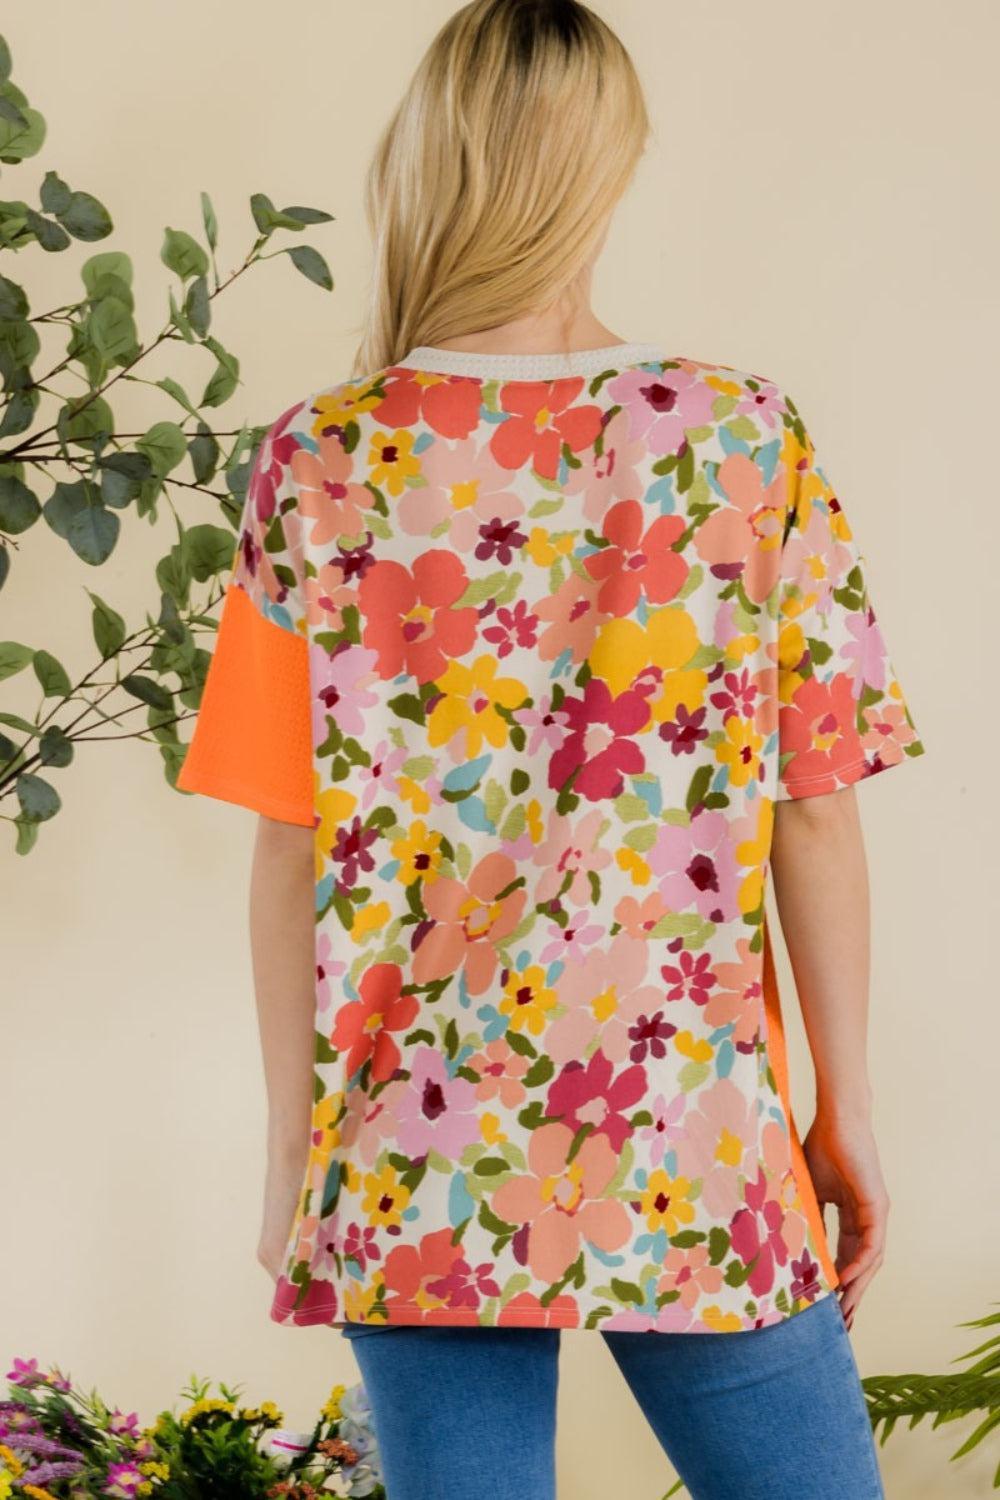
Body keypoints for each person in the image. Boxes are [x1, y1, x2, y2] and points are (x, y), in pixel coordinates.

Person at [175, 2, 926, 1495]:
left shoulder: (322, 457)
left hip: (411, 1139)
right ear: (608, 166)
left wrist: (293, 1153)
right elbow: (816, 818)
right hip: (693, 1132)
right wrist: (842, 1120)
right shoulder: (742, 439)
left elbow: (290, 843)